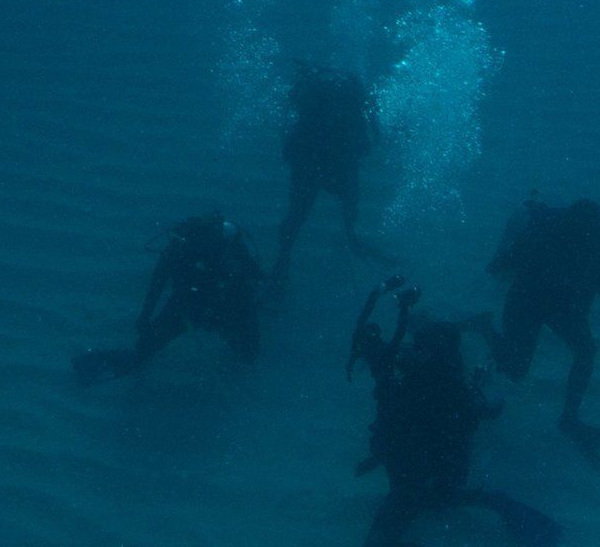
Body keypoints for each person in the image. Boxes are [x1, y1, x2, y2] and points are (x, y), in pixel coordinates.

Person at [349, 278, 563, 547]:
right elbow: (489, 410)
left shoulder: (412, 383)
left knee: (402, 509)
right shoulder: (450, 388)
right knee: (429, 497)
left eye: (420, 347)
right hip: (434, 480)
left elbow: (383, 365)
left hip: (414, 480)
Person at [483, 196, 600, 489]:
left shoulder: (595, 242)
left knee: (586, 351)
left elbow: (595, 284)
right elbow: (504, 265)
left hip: (560, 304)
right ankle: (484, 328)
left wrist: (578, 318)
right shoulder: (545, 236)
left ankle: (569, 416)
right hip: (527, 299)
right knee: (515, 371)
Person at [73, 213, 261, 385]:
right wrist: (145, 316)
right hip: (187, 305)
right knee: (142, 352)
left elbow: (249, 282)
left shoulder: (228, 251)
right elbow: (158, 280)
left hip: (222, 306)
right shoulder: (179, 247)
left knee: (248, 353)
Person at [274, 62, 385, 285]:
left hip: (308, 157)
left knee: (297, 212)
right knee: (349, 203)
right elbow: (372, 122)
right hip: (342, 157)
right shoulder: (353, 87)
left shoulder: (309, 87)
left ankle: (282, 261)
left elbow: (290, 117)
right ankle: (351, 237)